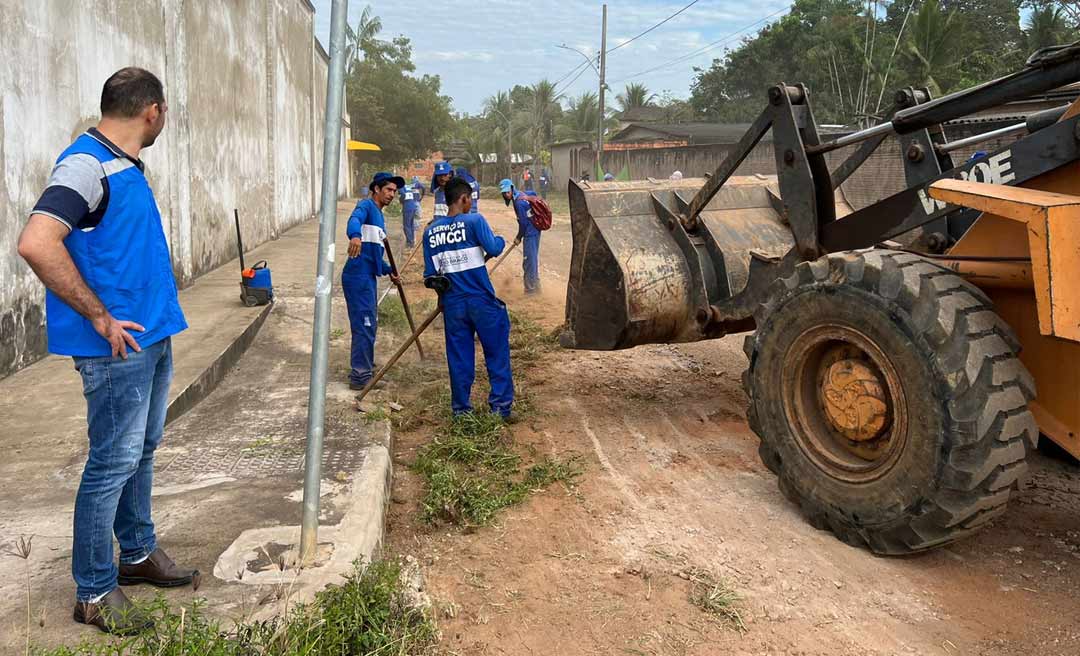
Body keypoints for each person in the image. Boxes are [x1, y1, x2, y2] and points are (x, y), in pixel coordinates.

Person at [17, 67, 198, 635]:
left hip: (149, 335)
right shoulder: (85, 165)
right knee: (110, 463)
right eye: (164, 111)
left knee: (140, 450)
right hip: (116, 348)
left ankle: (137, 553)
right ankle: (94, 590)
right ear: (153, 112)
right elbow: (37, 242)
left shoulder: (121, 165)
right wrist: (98, 315)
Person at [423, 177, 514, 419]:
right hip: (481, 300)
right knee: (496, 353)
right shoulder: (474, 220)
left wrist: (443, 297)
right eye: (469, 199)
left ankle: (461, 411)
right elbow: (493, 248)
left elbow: (431, 276)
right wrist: (501, 239)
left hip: (452, 304)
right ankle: (500, 409)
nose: (470, 203)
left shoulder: (431, 231)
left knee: (459, 358)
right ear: (464, 198)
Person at [342, 172, 403, 390]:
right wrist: (355, 236)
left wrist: (389, 271)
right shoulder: (366, 206)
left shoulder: (379, 217)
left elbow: (375, 257)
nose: (392, 194)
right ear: (376, 189)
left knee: (370, 324)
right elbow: (354, 219)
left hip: (368, 277)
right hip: (357, 278)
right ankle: (360, 377)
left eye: (395, 191)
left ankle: (365, 366)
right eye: (388, 189)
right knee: (364, 325)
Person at [500, 178, 541, 295]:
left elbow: (523, 224)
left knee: (528, 262)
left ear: (512, 189)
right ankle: (536, 287)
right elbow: (533, 193)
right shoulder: (523, 194)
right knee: (532, 260)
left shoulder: (518, 202)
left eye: (507, 192)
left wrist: (518, 237)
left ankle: (530, 291)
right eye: (504, 193)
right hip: (535, 230)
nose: (506, 195)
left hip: (530, 233)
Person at [399, 174, 422, 249]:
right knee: (411, 224)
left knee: (406, 226)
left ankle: (409, 243)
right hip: (412, 206)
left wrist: (401, 201)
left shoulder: (401, 187)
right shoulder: (407, 187)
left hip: (407, 207)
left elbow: (403, 195)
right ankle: (412, 241)